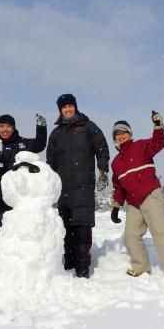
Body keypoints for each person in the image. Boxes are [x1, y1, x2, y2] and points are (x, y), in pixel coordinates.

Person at [109, 112, 164, 278]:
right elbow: (118, 186)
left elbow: (158, 142)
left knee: (160, 230)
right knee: (130, 235)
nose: (120, 136)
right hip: (133, 202)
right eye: (117, 135)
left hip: (150, 195)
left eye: (123, 133)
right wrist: (116, 206)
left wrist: (158, 126)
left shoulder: (141, 146)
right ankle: (141, 267)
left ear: (129, 134)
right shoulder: (116, 163)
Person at [46, 93, 110, 278]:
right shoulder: (56, 133)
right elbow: (50, 161)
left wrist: (103, 169)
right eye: (64, 107)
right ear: (60, 110)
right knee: (65, 230)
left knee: (82, 230)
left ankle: (82, 270)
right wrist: (50, 186)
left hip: (83, 187)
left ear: (75, 107)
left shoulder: (88, 127)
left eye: (70, 106)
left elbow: (102, 147)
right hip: (63, 189)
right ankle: (68, 267)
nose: (67, 109)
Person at [0, 113, 48, 246]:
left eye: (8, 126)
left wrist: (41, 127)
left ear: (13, 128)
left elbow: (40, 145)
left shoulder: (22, 143)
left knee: (21, 230)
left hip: (21, 197)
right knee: (1, 229)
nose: (5, 129)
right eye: (2, 126)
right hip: (1, 195)